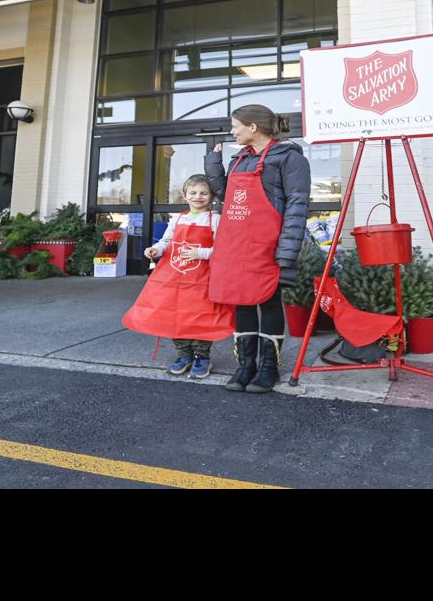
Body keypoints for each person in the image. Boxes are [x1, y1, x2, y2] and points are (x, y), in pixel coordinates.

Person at [204, 105, 311, 394]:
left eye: (235, 125)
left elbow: (297, 206)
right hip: (238, 245)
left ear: (253, 127)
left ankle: (268, 369)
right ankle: (245, 366)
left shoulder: (289, 159)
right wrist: (213, 165)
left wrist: (287, 251)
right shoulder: (240, 159)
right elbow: (228, 197)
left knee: (269, 302)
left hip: (269, 245)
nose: (232, 131)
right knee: (242, 301)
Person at [121, 175, 234, 378]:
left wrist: (200, 253)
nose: (198, 197)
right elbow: (167, 241)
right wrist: (155, 249)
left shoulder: (215, 219)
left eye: (203, 193)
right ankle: (184, 355)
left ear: (211, 196)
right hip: (175, 278)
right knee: (175, 315)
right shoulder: (178, 218)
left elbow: (223, 249)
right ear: (185, 195)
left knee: (202, 317)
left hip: (203, 279)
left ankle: (202, 357)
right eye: (193, 193)